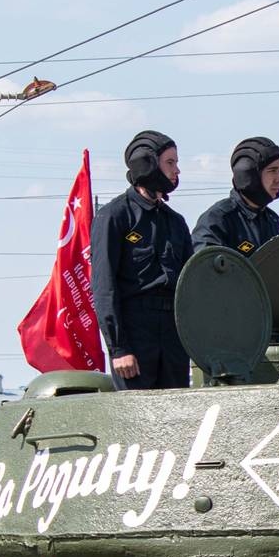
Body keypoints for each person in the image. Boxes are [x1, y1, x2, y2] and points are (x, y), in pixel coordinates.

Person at [92, 130, 195, 390]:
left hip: (173, 336)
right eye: (170, 163)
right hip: (135, 337)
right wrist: (118, 348)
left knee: (176, 414)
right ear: (148, 164)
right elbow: (104, 287)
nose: (177, 171)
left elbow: (190, 284)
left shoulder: (176, 222)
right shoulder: (115, 216)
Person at [193, 136, 279, 255]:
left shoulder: (271, 221)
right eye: (272, 171)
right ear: (249, 174)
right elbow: (205, 266)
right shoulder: (218, 220)